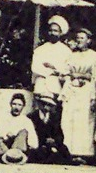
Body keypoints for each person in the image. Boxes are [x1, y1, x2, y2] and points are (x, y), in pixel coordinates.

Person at [29, 15, 73, 162]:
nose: (53, 33)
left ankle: (56, 150)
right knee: (41, 117)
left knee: (54, 118)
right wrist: (50, 71)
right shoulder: (40, 49)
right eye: (51, 30)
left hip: (56, 86)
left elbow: (66, 70)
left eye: (56, 31)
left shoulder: (66, 51)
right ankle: (41, 147)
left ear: (61, 33)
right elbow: (35, 67)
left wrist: (55, 69)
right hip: (41, 84)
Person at [60, 28, 96, 160]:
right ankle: (69, 151)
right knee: (69, 119)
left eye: (82, 38)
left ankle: (84, 152)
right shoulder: (71, 55)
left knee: (83, 120)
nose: (79, 40)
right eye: (77, 38)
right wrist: (71, 77)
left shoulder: (95, 56)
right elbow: (64, 72)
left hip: (86, 90)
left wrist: (93, 96)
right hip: (72, 89)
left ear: (88, 41)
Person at [0, 92, 37, 163]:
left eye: (19, 105)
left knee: (23, 132)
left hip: (18, 147)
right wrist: (6, 135)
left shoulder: (26, 120)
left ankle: (14, 156)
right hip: (4, 145)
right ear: (10, 105)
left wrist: (17, 136)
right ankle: (5, 155)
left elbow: (34, 142)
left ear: (23, 106)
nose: (16, 107)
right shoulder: (3, 117)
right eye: (14, 104)